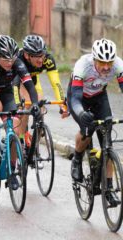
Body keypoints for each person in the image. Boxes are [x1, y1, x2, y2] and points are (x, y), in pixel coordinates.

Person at [0, 35, 40, 177]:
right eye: (6, 60)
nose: (10, 63)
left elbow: (30, 87)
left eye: (12, 59)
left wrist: (35, 104)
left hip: (6, 93)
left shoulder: (18, 64)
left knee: (15, 129)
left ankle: (12, 169)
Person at [67, 38, 123, 206]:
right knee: (87, 129)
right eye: (102, 62)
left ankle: (109, 190)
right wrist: (81, 112)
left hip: (99, 97)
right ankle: (77, 159)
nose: (106, 67)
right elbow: (75, 98)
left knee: (108, 143)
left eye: (109, 62)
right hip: (79, 99)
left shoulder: (118, 65)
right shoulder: (82, 65)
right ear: (94, 59)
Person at [13, 35, 68, 149]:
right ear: (27, 55)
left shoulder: (47, 59)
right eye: (37, 57)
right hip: (19, 83)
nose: (41, 59)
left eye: (42, 55)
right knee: (26, 107)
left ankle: (34, 148)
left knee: (41, 108)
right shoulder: (18, 59)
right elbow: (15, 84)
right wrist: (19, 104)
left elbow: (56, 83)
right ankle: (21, 140)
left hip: (33, 82)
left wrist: (62, 103)